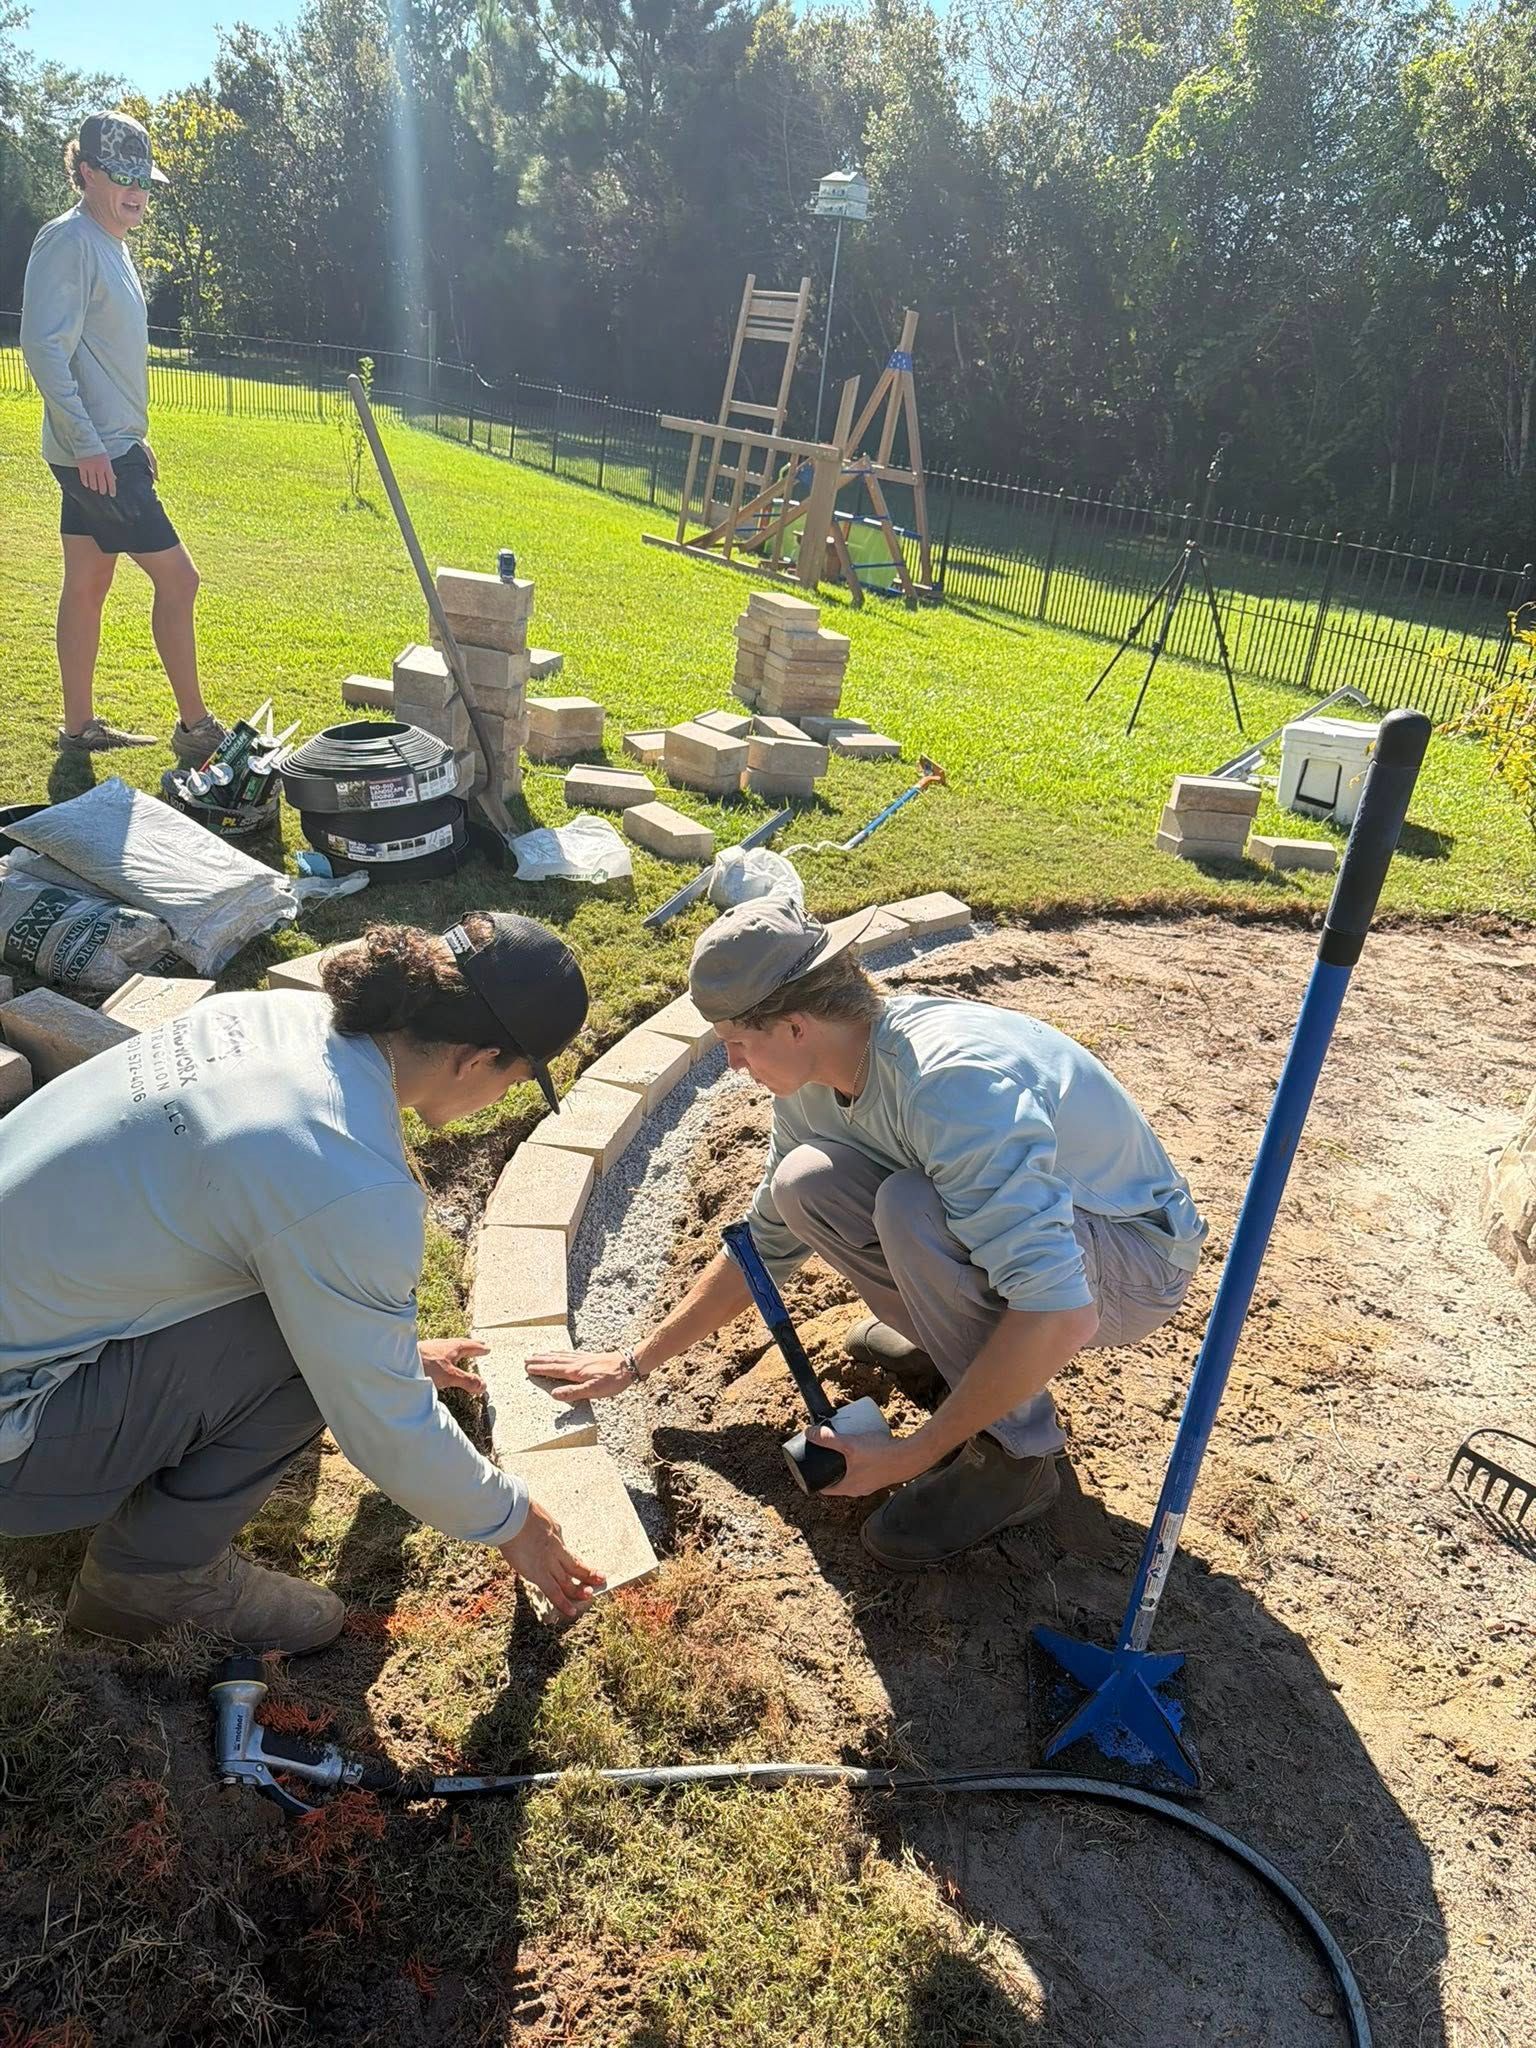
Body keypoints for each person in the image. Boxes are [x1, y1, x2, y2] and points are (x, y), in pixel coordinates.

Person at [530, 901, 1207, 1570]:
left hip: (1132, 1262)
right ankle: (958, 1350)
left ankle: (1016, 1458)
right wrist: (634, 1362)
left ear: (795, 1026)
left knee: (910, 1208)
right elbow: (764, 1246)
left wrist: (908, 1454)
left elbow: (1059, 1311)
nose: (732, 1063)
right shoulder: (815, 1083)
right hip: (1055, 1251)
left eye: (737, 1042)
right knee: (806, 1182)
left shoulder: (950, 1086)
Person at [0, 915, 605, 1651]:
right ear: (477, 1059)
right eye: (518, 1079)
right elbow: (380, 1422)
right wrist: (516, 1520)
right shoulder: (342, 1171)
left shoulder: (261, 1016)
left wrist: (384, 1351)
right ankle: (155, 1579)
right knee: (302, 1359)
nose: (508, 1096)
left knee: (302, 1319)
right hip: (12, 1436)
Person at [19, 110, 225, 763]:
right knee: (180, 581)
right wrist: (91, 444)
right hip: (94, 455)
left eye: (144, 178)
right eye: (122, 177)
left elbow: (102, 357)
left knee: (86, 580)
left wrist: (133, 438)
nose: (137, 192)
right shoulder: (71, 242)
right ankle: (196, 728)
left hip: (109, 448)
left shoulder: (112, 243)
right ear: (85, 173)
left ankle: (78, 727)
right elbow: (45, 348)